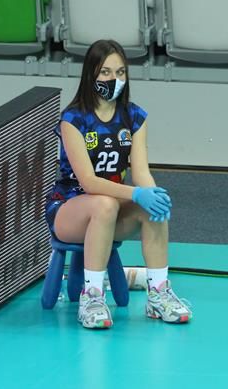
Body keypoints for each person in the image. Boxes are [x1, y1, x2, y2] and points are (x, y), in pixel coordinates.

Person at [44, 39, 192, 329]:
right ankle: (92, 297)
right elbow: (88, 182)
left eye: (120, 72)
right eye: (106, 72)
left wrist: (152, 194)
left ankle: (158, 293)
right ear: (91, 74)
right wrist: (136, 193)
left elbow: (141, 172)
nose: (114, 79)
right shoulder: (72, 119)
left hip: (111, 210)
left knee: (151, 207)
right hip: (68, 210)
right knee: (104, 204)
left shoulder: (134, 117)